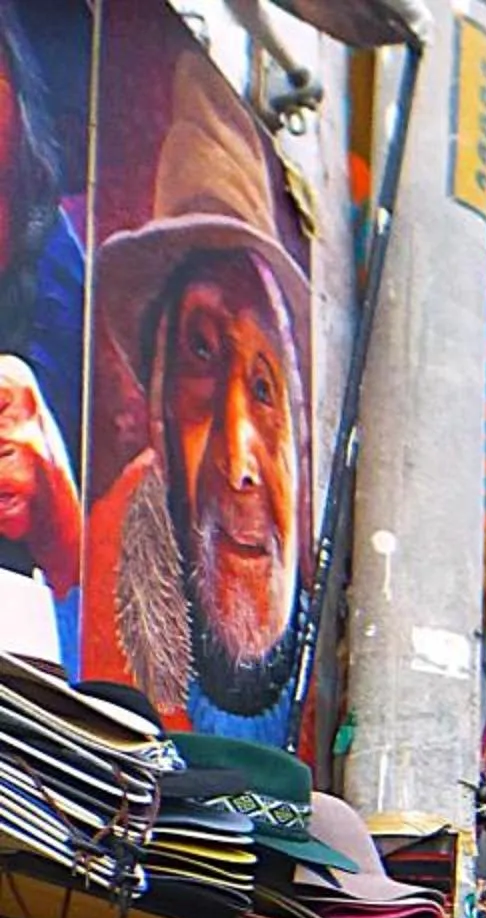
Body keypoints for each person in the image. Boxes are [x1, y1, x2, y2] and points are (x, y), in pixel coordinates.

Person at [83, 46, 310, 746]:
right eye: (201, 359)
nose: (239, 462)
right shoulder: (112, 555)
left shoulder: (310, 605)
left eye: (265, 388)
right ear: (156, 403)